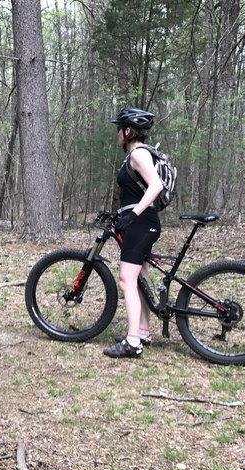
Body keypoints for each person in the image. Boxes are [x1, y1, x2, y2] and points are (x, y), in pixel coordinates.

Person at [103, 107, 163, 359]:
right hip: (143, 222)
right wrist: (122, 213)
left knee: (126, 280)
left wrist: (133, 214)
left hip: (141, 224)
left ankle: (132, 343)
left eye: (119, 129)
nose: (117, 134)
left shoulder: (138, 154)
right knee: (140, 279)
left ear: (127, 131)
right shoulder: (136, 155)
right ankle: (142, 331)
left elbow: (156, 186)